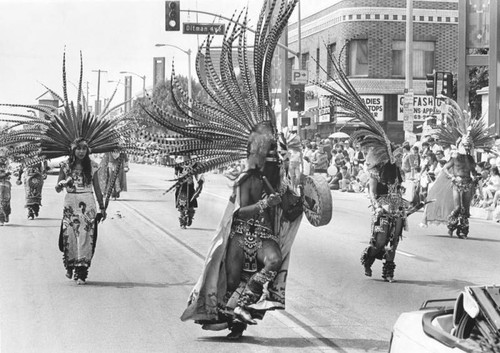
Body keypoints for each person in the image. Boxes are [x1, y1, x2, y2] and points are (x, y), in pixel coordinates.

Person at [421, 97, 494, 237]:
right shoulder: (455, 158)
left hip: (468, 184)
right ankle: (452, 224)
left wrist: (475, 178)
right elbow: (445, 169)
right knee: (457, 207)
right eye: (464, 146)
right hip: (456, 183)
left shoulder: (471, 159)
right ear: (460, 145)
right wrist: (452, 176)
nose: (466, 148)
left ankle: (464, 229)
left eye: (468, 146)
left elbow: (473, 172)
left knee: (465, 209)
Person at [55, 138, 107, 284]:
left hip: (88, 203)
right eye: (78, 148)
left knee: (85, 236)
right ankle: (70, 265)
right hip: (70, 203)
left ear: (88, 150)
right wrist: (63, 183)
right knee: (69, 235)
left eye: (84, 148)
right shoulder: (65, 166)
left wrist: (102, 208)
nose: (81, 151)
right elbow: (58, 188)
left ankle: (81, 272)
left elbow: (97, 188)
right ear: (73, 150)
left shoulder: (92, 166)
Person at [174, 156, 204, 229]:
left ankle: (189, 216)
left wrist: (200, 181)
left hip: (190, 186)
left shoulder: (194, 164)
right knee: (182, 204)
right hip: (181, 187)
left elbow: (198, 175)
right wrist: (179, 177)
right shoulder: (178, 164)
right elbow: (175, 174)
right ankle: (182, 221)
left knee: (191, 203)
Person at [0, 152, 12, 225]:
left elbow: (11, 170)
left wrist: (8, 173)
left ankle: (6, 214)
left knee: (6, 201)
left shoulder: (7, 162)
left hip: (5, 184)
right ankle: (1, 218)